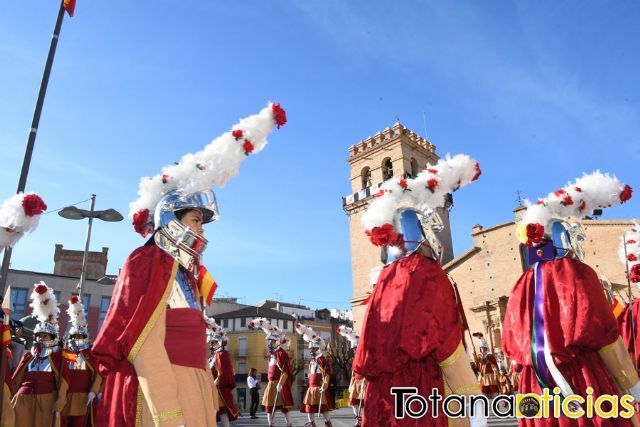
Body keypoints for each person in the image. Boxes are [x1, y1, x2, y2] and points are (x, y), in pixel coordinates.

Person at [92, 102, 286, 426]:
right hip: (162, 394)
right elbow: (145, 344)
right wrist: (169, 412)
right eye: (196, 219)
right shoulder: (148, 261)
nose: (201, 229)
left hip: (192, 387)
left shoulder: (184, 272)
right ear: (172, 220)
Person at [353, 154, 486, 427]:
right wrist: (474, 406)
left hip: (383, 402)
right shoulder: (424, 273)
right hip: (421, 396)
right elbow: (446, 346)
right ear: (422, 231)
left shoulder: (383, 283)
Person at [502, 171, 640, 427]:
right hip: (580, 380)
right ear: (561, 237)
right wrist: (634, 387)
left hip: (535, 389)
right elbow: (605, 336)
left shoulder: (520, 284)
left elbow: (512, 343)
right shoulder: (578, 273)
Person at [11, 282, 63, 427]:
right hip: (23, 399)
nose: (41, 339)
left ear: (52, 338)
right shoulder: (28, 355)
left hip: (46, 401)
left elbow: (62, 382)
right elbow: (16, 378)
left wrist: (59, 404)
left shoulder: (56, 357)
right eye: (39, 336)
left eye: (45, 336)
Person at [54, 295, 103, 427]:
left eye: (79, 336)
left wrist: (93, 391)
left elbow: (98, 374)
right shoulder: (64, 353)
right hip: (64, 397)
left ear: (85, 337)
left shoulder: (90, 353)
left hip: (84, 397)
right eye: (74, 336)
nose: (77, 339)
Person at [249, 318, 294, 427]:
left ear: (276, 341)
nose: (269, 343)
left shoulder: (281, 353)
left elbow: (286, 371)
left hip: (279, 384)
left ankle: (289, 424)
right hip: (271, 384)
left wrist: (280, 383)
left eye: (271, 341)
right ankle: (271, 424)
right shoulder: (272, 355)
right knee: (269, 407)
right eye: (269, 341)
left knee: (284, 407)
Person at [295, 322, 334, 427]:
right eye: (310, 348)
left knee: (324, 407)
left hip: (319, 387)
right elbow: (310, 373)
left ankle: (328, 422)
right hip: (311, 388)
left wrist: (324, 386)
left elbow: (327, 374)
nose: (310, 350)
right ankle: (312, 423)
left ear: (317, 348)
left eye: (312, 349)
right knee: (309, 407)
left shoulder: (322, 360)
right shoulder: (312, 361)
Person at [207, 321, 238, 427]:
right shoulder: (213, 356)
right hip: (212, 388)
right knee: (217, 411)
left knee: (220, 410)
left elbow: (224, 372)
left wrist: (216, 383)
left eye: (214, 342)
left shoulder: (222, 354)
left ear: (219, 342)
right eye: (211, 342)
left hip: (218, 389)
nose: (211, 344)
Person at [337, 325, 365, 427]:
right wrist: (350, 384)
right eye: (353, 349)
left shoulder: (365, 357)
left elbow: (367, 370)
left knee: (366, 403)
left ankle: (365, 420)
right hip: (356, 382)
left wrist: (365, 382)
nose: (354, 351)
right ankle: (358, 420)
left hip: (364, 382)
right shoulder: (354, 359)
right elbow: (353, 371)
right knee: (353, 402)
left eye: (356, 349)